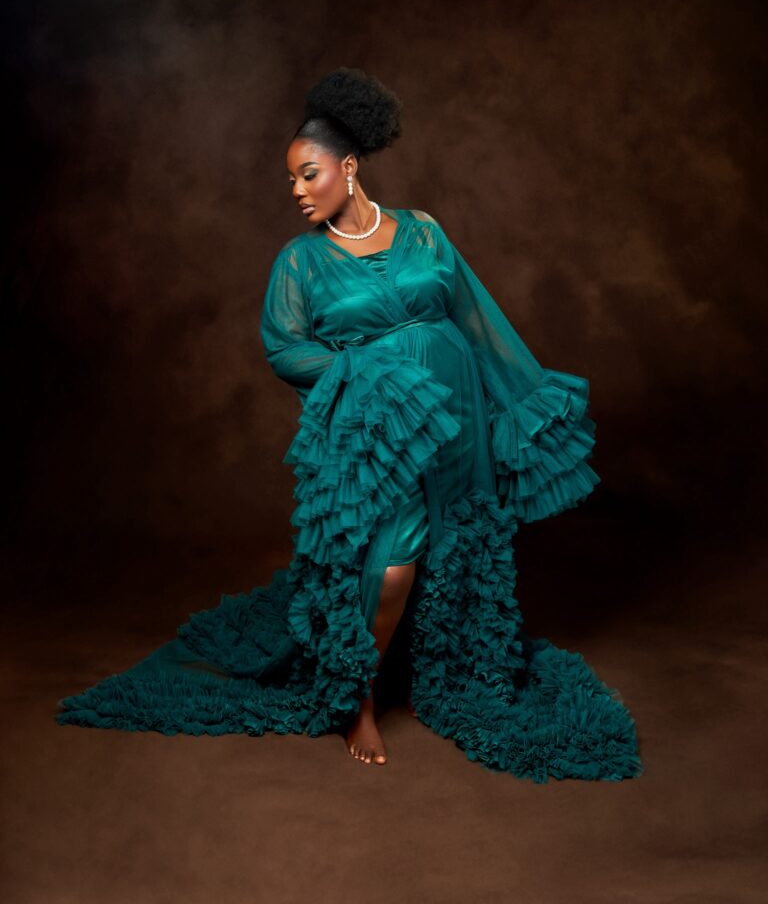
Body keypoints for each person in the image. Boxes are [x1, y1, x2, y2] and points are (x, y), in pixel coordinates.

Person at [56, 67, 642, 783]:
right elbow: (284, 348)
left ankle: (448, 671)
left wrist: (517, 404)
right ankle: (355, 697)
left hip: (458, 410)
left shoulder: (424, 230)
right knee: (394, 561)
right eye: (291, 181)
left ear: (350, 167)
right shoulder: (300, 262)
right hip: (380, 424)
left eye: (309, 174)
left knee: (460, 540)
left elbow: (475, 319)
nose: (297, 191)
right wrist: (363, 373)